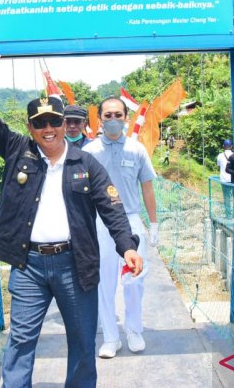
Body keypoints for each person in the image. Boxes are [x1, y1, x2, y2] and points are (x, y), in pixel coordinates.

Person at [0, 37, 143, 388]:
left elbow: (112, 208)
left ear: (65, 125)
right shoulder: (18, 150)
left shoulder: (86, 163)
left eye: (54, 123)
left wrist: (128, 246)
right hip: (28, 264)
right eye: (40, 124)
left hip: (74, 265)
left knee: (81, 343)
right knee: (20, 341)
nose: (48, 130)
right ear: (30, 127)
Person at [84, 96, 159, 359]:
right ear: (100, 119)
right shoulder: (89, 152)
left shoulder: (137, 150)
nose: (113, 120)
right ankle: (111, 337)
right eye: (108, 115)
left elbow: (147, 188)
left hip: (131, 220)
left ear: (126, 118)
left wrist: (154, 223)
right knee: (104, 282)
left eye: (118, 115)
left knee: (134, 279)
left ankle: (134, 330)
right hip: (100, 224)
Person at [216, 139, 234, 211]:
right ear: (231, 146)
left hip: (224, 179)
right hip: (233, 179)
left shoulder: (220, 156)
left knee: (226, 198)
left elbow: (218, 165)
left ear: (223, 146)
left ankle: (228, 214)